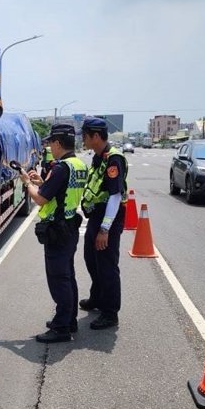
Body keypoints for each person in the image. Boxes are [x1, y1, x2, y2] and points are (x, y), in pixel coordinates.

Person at [19, 124, 88, 343]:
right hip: (70, 226)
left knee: (59, 279)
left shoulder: (60, 168)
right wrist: (43, 182)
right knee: (68, 276)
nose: (49, 146)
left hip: (57, 230)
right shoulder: (78, 164)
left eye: (50, 142)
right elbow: (63, 190)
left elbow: (40, 199)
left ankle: (61, 328)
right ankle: (70, 320)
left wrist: (28, 183)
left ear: (58, 143)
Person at [79, 117, 128, 330]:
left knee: (107, 265)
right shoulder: (98, 156)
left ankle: (110, 313)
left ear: (96, 136)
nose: (83, 139)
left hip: (109, 217)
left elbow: (115, 196)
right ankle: (97, 298)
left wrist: (105, 229)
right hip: (96, 216)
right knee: (91, 259)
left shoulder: (113, 159)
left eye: (85, 136)